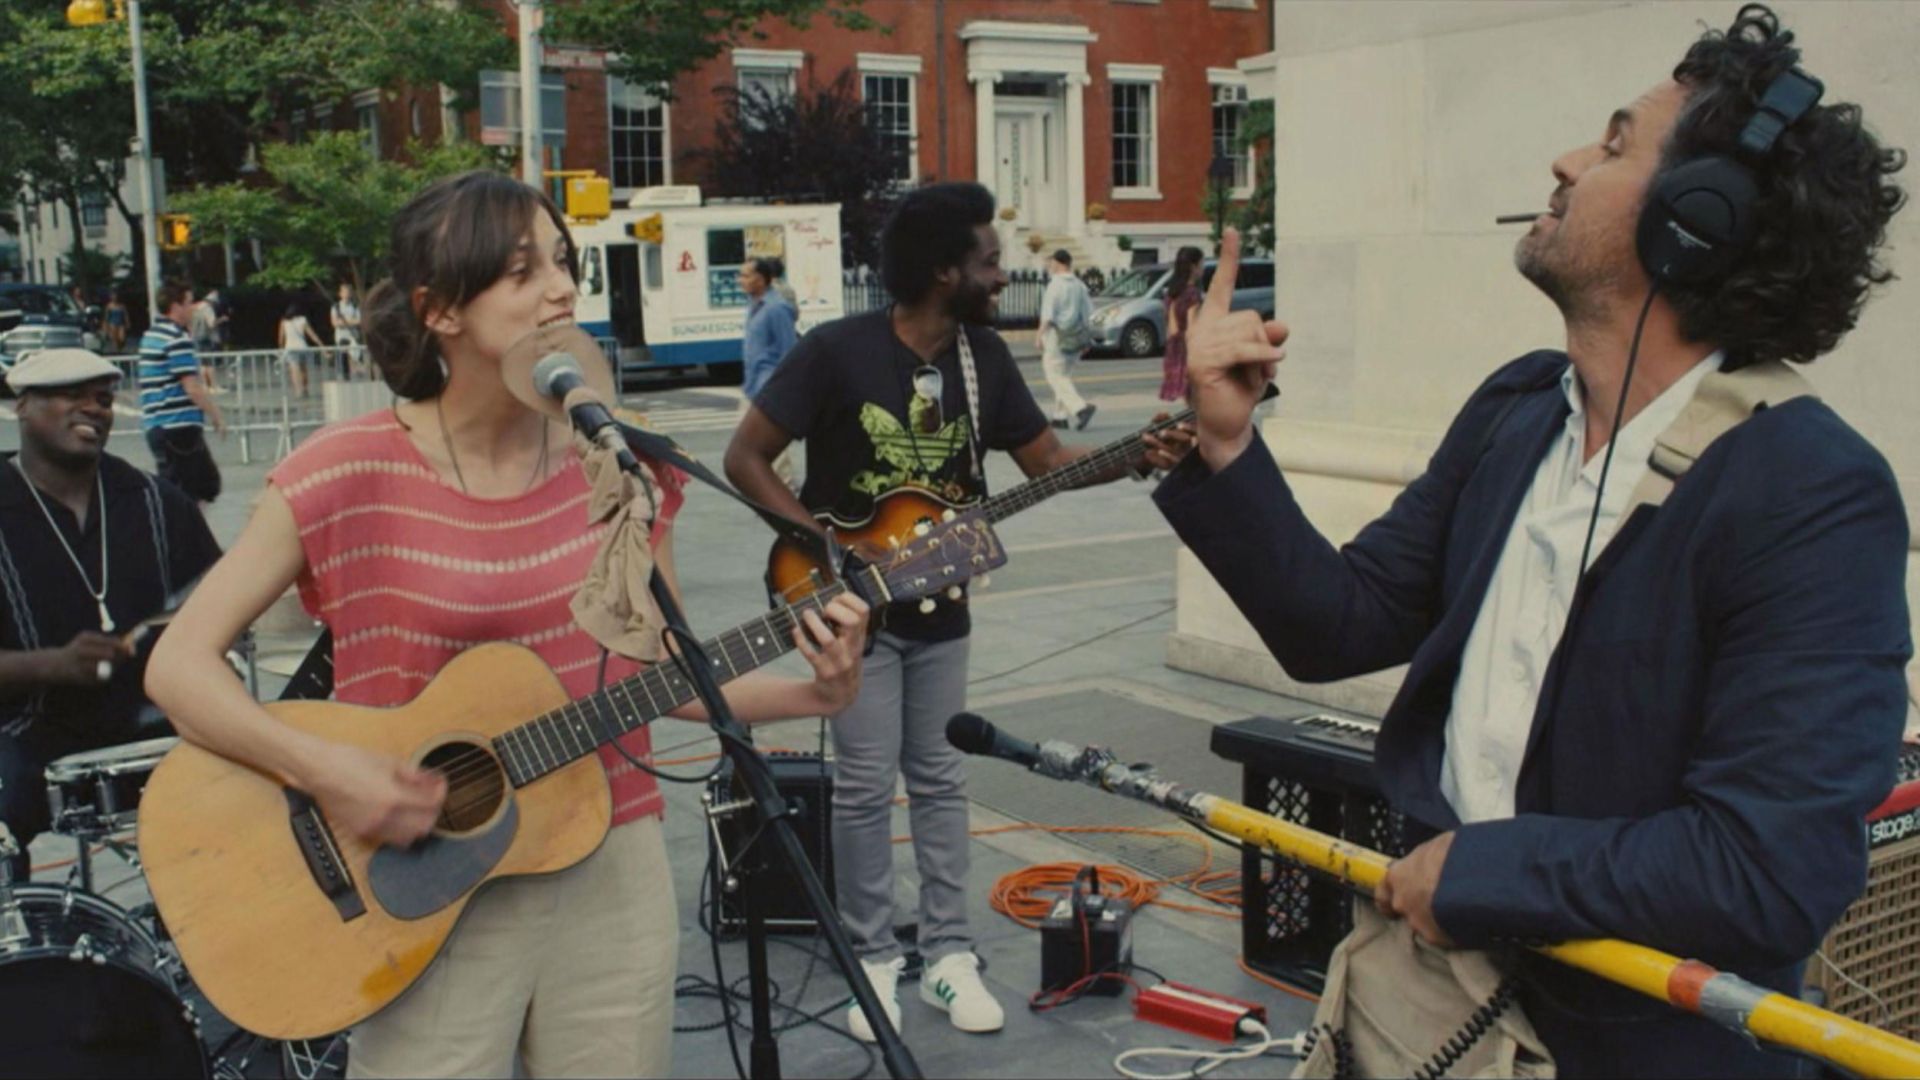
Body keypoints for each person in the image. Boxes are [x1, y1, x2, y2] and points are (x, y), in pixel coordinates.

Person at [1155, 7, 1909, 1075]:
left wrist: (1481, 873)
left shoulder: (1810, 492)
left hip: (1636, 1041)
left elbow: (1770, 866)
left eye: (1611, 144)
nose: (1563, 160)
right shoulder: (1518, 410)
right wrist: (1227, 446)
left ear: (1698, 220)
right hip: (1422, 998)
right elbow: (1337, 623)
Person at [145, 170, 870, 1079]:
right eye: (523, 271)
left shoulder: (618, 463)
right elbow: (179, 668)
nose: (562, 288)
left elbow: (656, 670)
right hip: (408, 882)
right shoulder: (340, 474)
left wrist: (816, 688)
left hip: (610, 858)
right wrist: (328, 771)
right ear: (439, 309)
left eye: (562, 262)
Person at [725, 181, 1190, 1043]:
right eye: (985, 259)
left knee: (938, 780)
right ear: (943, 271)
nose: (999, 271)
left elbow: (1046, 457)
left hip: (940, 606)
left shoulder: (982, 357)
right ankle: (871, 956)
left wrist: (1136, 455)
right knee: (865, 788)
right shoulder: (835, 351)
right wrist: (828, 553)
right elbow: (745, 456)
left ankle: (946, 955)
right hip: (848, 610)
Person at [0, 349, 221, 882]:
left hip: (149, 719)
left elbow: (220, 594)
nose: (93, 408)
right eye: (70, 394)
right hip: (23, 729)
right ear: (22, 406)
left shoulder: (153, 500)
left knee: (250, 790)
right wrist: (52, 665)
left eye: (101, 397)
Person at [138, 282, 225, 507]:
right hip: (177, 426)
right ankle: (185, 538)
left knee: (196, 486)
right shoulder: (177, 339)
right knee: (191, 490)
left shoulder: (151, 335)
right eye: (189, 303)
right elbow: (192, 387)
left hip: (159, 424)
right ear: (176, 306)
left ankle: (190, 536)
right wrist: (216, 414)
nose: (193, 308)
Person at [738, 255, 800, 486]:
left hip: (769, 386)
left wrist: (784, 388)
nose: (739, 280)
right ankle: (777, 486)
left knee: (764, 440)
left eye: (745, 275)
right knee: (751, 440)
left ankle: (785, 486)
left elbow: (789, 351)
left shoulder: (776, 309)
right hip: (753, 385)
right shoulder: (755, 306)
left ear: (761, 280)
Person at [1035, 249, 1096, 430]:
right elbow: (1088, 313)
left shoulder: (1055, 285)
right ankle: (1059, 416)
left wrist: (1039, 335)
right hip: (1076, 335)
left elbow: (1048, 314)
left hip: (1057, 336)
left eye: (1052, 262)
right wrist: (1087, 339)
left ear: (1059, 263)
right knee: (1065, 375)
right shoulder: (1079, 285)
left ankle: (1080, 408)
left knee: (1054, 375)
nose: (1050, 265)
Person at [1158, 246, 1204, 403]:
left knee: (1178, 398)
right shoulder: (1192, 294)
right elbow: (1192, 327)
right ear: (1193, 267)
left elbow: (1170, 328)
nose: (1202, 269)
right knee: (1192, 401)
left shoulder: (1171, 292)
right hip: (1187, 351)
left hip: (1172, 350)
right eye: (1201, 264)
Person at [277, 303, 323, 399]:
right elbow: (312, 334)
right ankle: (305, 388)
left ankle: (298, 391)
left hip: (290, 348)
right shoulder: (303, 320)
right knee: (304, 370)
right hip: (303, 347)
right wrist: (321, 345)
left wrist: (280, 348)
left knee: (294, 371)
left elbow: (281, 337)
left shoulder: (284, 322)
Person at [188, 288, 227, 392]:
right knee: (210, 363)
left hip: (195, 337)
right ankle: (214, 386)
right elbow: (211, 323)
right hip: (206, 337)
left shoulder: (195, 308)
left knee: (202, 363)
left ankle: (206, 386)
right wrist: (221, 319)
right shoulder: (207, 308)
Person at [330, 282, 363, 376]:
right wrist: (350, 321)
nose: (347, 294)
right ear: (340, 294)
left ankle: (356, 373)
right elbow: (335, 323)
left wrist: (345, 322)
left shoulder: (355, 306)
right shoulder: (336, 307)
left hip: (353, 336)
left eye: (348, 292)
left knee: (355, 356)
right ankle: (345, 376)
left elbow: (359, 321)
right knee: (343, 357)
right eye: (344, 292)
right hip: (341, 337)